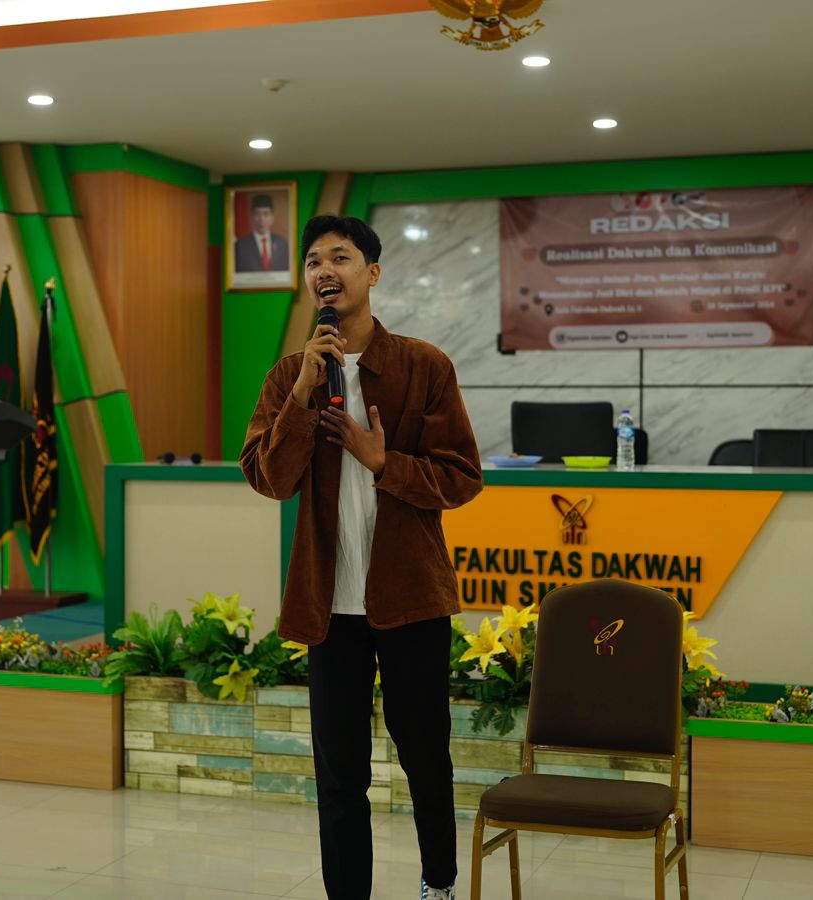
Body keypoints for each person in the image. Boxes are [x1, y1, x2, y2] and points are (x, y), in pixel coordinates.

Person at [240, 215, 482, 900]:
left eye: (340, 257)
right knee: (339, 775)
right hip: (330, 609)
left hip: (411, 600)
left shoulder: (423, 366)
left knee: (426, 760)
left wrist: (384, 462)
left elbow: (462, 477)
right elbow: (269, 479)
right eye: (314, 261)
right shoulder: (290, 376)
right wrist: (301, 393)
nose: (325, 270)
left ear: (371, 273)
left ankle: (439, 884)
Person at [235, 194, 291, 272]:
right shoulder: (240, 246)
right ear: (251, 217)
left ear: (272, 217)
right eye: (257, 214)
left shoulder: (282, 244)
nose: (262, 219)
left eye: (266, 214)